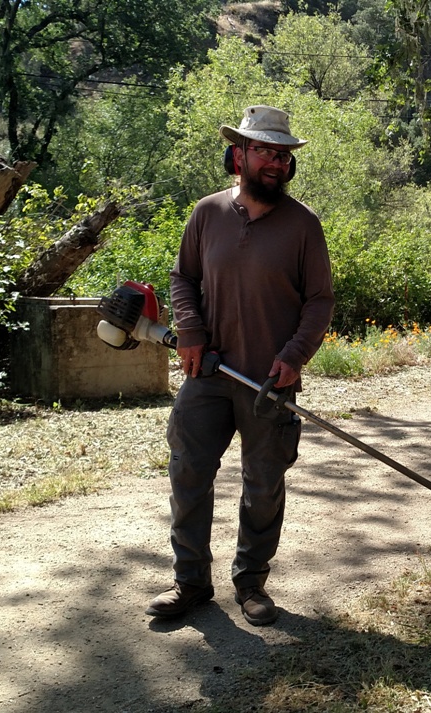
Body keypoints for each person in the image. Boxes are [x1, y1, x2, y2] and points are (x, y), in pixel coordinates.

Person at [145, 105, 334, 626]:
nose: (274, 162)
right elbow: (182, 277)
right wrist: (192, 332)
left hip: (269, 384)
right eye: (264, 151)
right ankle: (190, 583)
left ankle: (251, 583)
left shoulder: (303, 226)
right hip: (207, 374)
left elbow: (320, 300)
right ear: (239, 156)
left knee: (264, 483)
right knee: (188, 473)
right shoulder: (207, 213)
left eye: (282, 154)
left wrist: (294, 356)